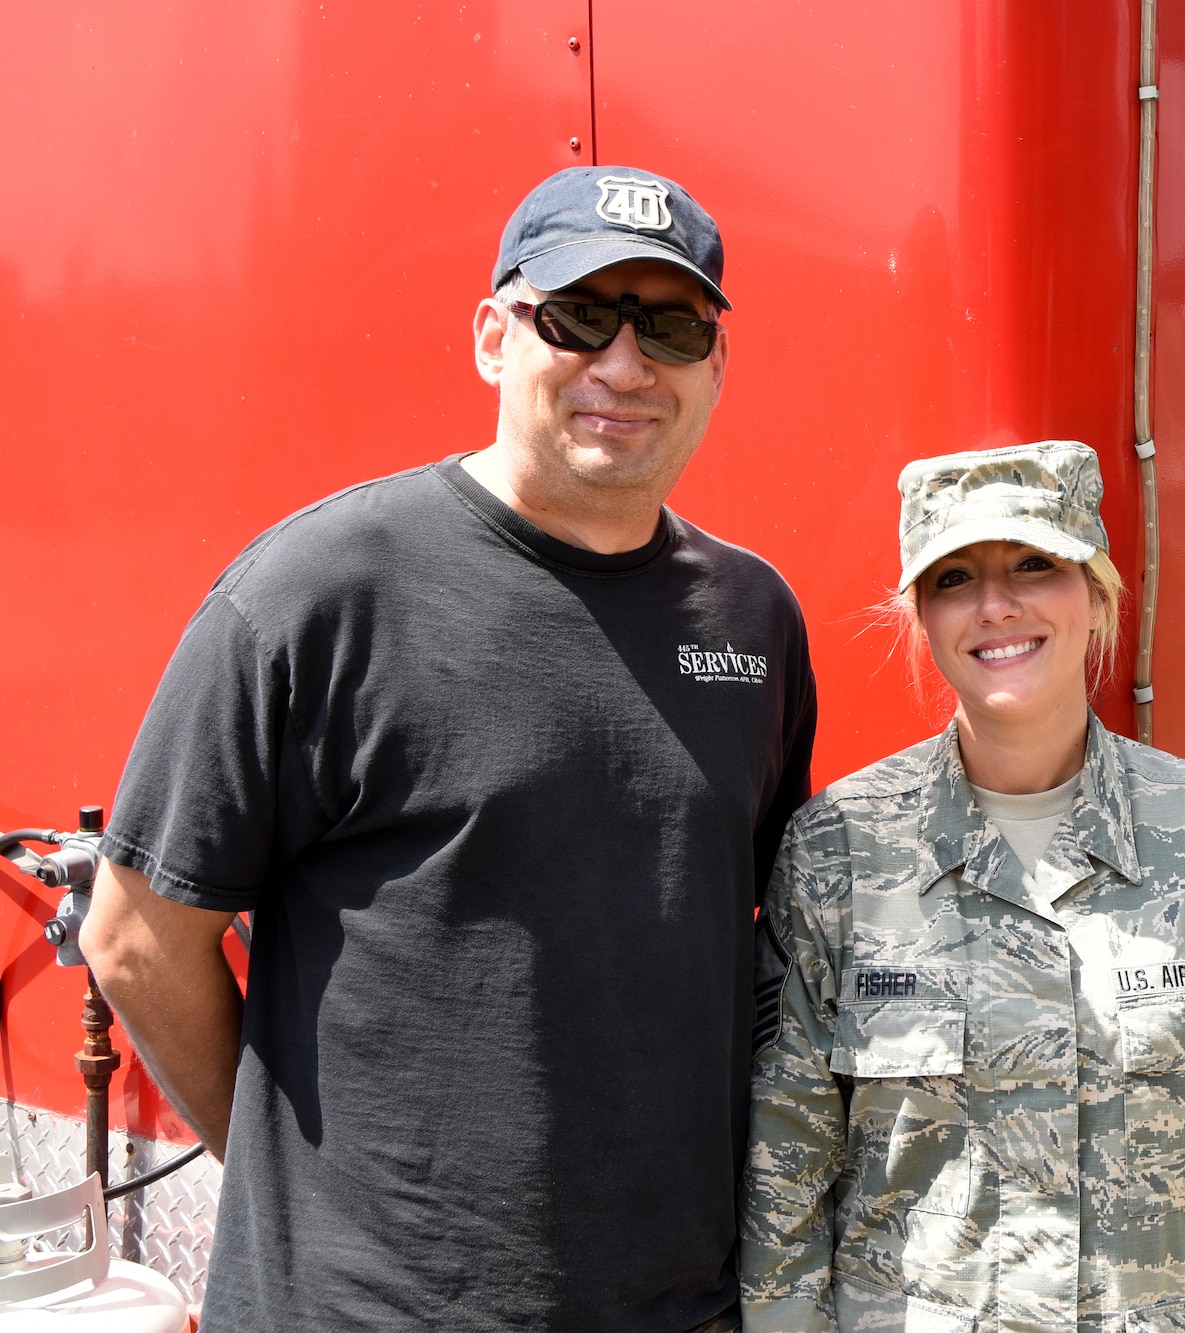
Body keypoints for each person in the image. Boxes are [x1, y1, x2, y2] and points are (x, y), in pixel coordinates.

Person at [79, 166, 816, 1331]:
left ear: (715, 367)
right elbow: (132, 939)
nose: (624, 365)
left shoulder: (751, 620)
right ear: (492, 337)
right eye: (578, 316)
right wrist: (303, 1183)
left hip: (677, 1307)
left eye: (670, 325)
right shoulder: (319, 594)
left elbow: (759, 943)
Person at [738, 441, 1185, 1331]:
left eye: (1036, 563)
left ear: (1097, 591)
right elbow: (783, 1173)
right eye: (954, 578)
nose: (997, 606)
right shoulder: (840, 849)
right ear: (920, 613)